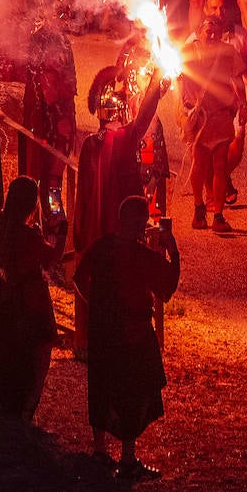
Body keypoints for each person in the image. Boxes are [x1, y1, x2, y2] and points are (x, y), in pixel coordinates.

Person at [74, 195, 180, 483]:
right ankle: (128, 458)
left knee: (101, 386)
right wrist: (173, 251)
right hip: (132, 333)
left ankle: (100, 450)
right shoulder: (140, 256)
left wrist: (96, 306)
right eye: (143, 219)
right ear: (134, 222)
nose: (145, 224)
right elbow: (167, 287)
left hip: (102, 330)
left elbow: (78, 278)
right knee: (132, 392)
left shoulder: (102, 247)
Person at [72, 69, 169, 359]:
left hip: (93, 231)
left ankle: (85, 343)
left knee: (95, 284)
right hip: (118, 232)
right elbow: (142, 122)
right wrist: (156, 85)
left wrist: (80, 234)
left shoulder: (90, 143)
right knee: (119, 290)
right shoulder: (123, 137)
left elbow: (83, 194)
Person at [0, 176, 65, 421]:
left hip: (5, 303)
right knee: (37, 361)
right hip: (30, 304)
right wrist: (62, 232)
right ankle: (26, 414)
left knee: (8, 362)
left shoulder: (0, 224)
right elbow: (51, 259)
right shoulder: (27, 235)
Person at [179, 15, 247, 233]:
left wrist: (243, 105)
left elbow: (237, 79)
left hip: (220, 115)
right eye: (207, 30)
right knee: (198, 162)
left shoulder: (228, 52)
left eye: (216, 31)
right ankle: (199, 207)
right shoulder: (187, 52)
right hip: (198, 117)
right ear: (199, 32)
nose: (211, 34)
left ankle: (218, 214)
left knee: (220, 165)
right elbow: (176, 79)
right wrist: (182, 112)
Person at [20, 0, 77, 194]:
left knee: (57, 166)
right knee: (44, 165)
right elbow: (45, 84)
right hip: (47, 115)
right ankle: (43, 206)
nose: (65, 16)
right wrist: (59, 117)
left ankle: (53, 202)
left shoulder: (62, 40)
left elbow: (68, 79)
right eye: (61, 11)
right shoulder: (41, 39)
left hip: (61, 111)